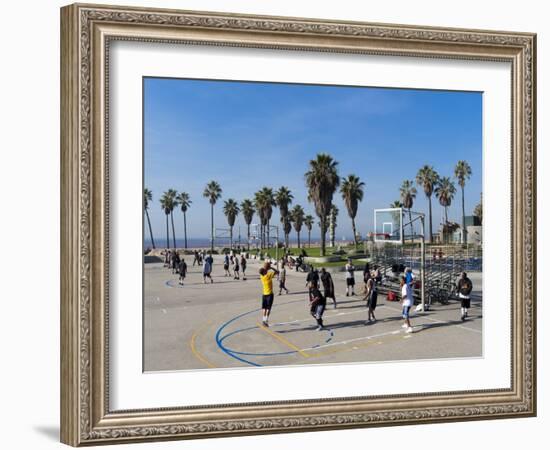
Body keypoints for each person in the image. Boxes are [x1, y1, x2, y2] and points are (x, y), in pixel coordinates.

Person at [259, 261, 279, 327]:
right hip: (270, 294)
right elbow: (277, 271)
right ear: (265, 272)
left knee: (264, 308)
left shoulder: (262, 277)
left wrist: (266, 268)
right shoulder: (268, 275)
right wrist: (271, 267)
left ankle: (263, 320)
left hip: (264, 294)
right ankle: (266, 321)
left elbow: (262, 270)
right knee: (268, 308)